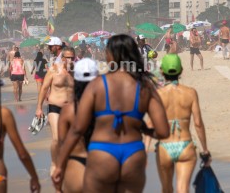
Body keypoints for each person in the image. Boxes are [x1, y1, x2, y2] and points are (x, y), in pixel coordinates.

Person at [52, 34, 169, 193]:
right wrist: (143, 129)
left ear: (111, 55)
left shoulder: (98, 84)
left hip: (103, 151)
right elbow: (163, 131)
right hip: (133, 151)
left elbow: (78, 128)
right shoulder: (145, 86)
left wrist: (59, 165)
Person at [154, 54, 210, 193]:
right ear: (181, 70)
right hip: (185, 145)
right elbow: (198, 124)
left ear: (161, 71)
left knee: (166, 189)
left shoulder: (157, 94)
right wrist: (204, 150)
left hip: (165, 146)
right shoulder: (190, 93)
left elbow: (151, 124)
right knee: (183, 189)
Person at [58, 58, 99, 193]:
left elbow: (63, 145)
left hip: (76, 165)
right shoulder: (105, 108)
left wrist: (59, 170)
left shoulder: (68, 110)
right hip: (102, 163)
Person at [35, 46, 75, 172]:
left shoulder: (75, 72)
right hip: (55, 108)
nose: (70, 60)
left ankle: (67, 162)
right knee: (57, 138)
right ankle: (54, 162)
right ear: (62, 58)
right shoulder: (53, 70)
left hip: (70, 109)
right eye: (67, 58)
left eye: (72, 58)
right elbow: (44, 88)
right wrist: (39, 108)